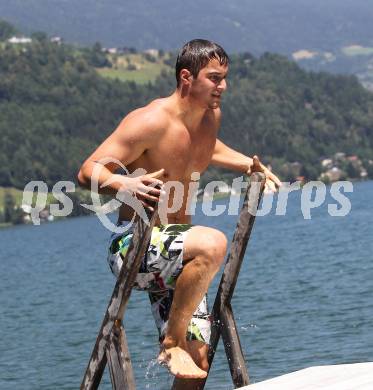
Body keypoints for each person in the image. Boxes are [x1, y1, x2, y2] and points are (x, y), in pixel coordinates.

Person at [78, 39, 281, 387]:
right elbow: (87, 170)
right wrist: (122, 185)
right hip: (132, 248)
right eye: (215, 78)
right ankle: (171, 341)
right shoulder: (149, 121)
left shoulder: (208, 119)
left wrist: (248, 164)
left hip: (181, 259)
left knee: (199, 361)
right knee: (212, 243)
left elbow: (206, 147)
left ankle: (180, 344)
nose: (223, 86)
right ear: (187, 77)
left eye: (225, 78)